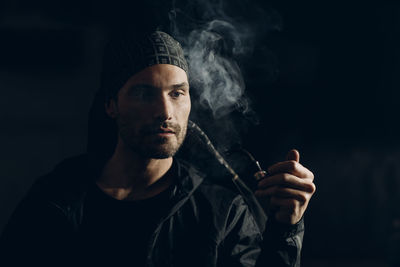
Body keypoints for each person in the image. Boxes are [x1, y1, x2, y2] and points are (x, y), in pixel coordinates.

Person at [0, 30, 316, 267]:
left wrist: (285, 230)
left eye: (177, 93)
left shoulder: (221, 212)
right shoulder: (57, 201)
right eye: (144, 93)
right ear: (111, 105)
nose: (165, 111)